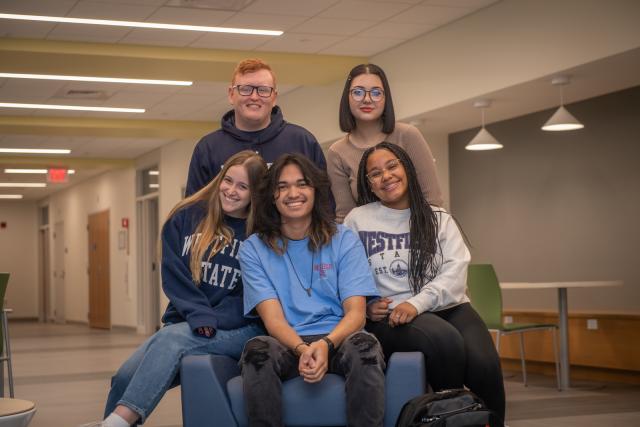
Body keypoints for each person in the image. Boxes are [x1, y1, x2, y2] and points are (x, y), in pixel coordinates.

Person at [82, 151, 267, 427]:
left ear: (256, 193)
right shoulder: (186, 216)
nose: (231, 190)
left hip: (240, 328)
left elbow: (249, 295)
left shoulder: (260, 234)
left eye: (243, 186)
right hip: (189, 322)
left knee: (172, 340)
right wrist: (198, 314)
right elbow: (174, 275)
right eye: (227, 180)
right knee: (123, 377)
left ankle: (115, 424)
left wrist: (211, 319)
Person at [344, 142, 506, 422]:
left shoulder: (438, 218)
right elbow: (345, 272)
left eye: (392, 166)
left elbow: (455, 271)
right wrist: (366, 305)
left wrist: (417, 303)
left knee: (486, 364)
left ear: (406, 167)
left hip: (447, 306)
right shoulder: (358, 220)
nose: (386, 176)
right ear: (369, 184)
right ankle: (449, 419)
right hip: (390, 315)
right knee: (445, 341)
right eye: (375, 173)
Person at [238, 153, 386, 427]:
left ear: (315, 190)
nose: (292, 193)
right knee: (257, 350)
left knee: (365, 346)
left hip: (339, 336)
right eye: (282, 187)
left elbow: (356, 314)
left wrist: (326, 344)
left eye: (302, 184)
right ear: (272, 196)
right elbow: (273, 320)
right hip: (286, 340)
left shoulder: (344, 239)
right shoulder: (253, 249)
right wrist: (301, 348)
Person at [185, 58, 327, 196]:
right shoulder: (208, 148)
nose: (254, 97)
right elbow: (193, 211)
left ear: (274, 97)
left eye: (263, 90)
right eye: (245, 89)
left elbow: (325, 202)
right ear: (231, 94)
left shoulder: (302, 141)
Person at [327, 63, 443, 222]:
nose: (367, 99)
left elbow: (432, 202)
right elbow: (345, 218)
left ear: (385, 97)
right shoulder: (337, 152)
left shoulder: (408, 135)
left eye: (376, 93)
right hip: (366, 243)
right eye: (358, 92)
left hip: (418, 237)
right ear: (347, 97)